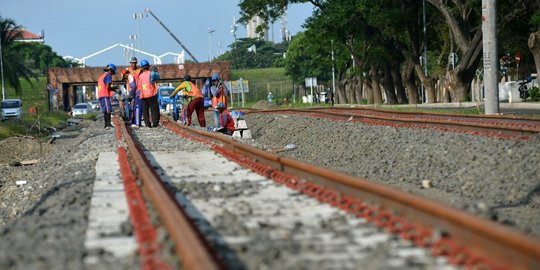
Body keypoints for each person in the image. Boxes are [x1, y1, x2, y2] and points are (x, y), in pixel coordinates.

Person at [138, 59, 161, 128]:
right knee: (154, 109)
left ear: (141, 67)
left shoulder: (140, 76)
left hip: (143, 95)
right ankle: (155, 124)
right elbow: (157, 78)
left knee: (145, 111)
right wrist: (155, 71)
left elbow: (139, 85)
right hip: (151, 94)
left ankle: (147, 124)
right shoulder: (152, 73)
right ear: (148, 66)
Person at [97, 63, 118, 128]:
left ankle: (106, 124)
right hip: (105, 95)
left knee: (105, 110)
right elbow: (108, 87)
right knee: (108, 109)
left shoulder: (101, 76)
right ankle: (108, 124)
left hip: (100, 95)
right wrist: (115, 88)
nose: (112, 74)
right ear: (110, 70)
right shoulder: (108, 76)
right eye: (112, 72)